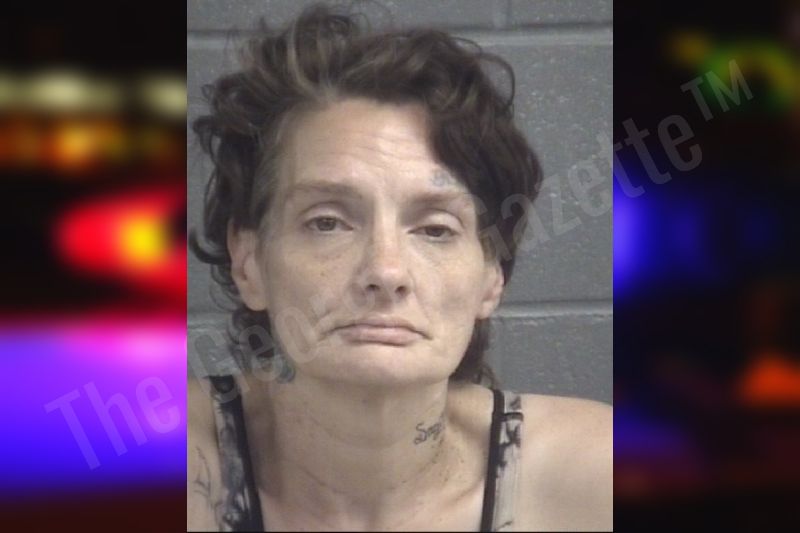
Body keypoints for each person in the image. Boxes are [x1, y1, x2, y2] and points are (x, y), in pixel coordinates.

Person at [187, 4, 612, 531]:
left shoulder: (595, 480)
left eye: (435, 229)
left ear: (491, 277)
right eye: (327, 223)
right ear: (248, 261)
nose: (386, 272)